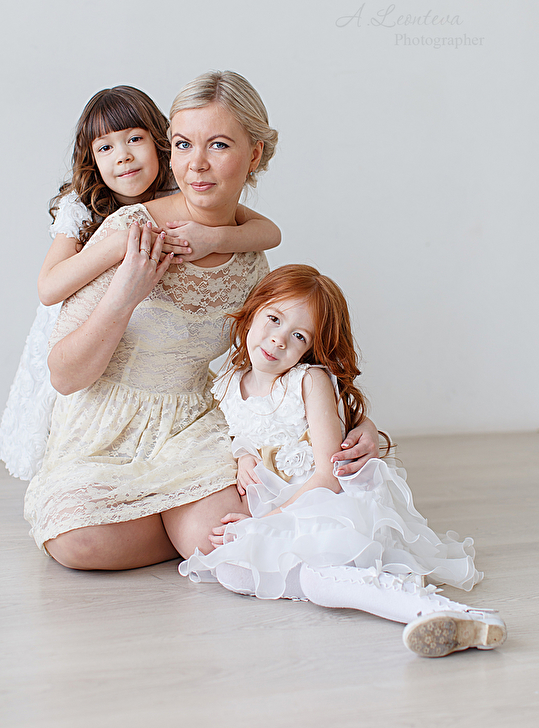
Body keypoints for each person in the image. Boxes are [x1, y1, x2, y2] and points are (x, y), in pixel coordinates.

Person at [24, 71, 382, 572]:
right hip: (105, 427)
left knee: (218, 541)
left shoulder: (251, 257)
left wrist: (359, 423)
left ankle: (186, 523)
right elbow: (64, 376)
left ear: (253, 155)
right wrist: (126, 294)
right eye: (183, 144)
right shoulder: (129, 229)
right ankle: (173, 522)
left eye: (218, 145)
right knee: (80, 544)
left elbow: (289, 357)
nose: (196, 163)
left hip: (195, 426)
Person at [179, 265, 507, 658]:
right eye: (274, 319)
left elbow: (327, 476)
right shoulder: (226, 383)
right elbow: (229, 434)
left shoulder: (308, 381)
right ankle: (351, 583)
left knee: (313, 579)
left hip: (322, 503)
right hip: (278, 509)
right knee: (231, 571)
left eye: (298, 336)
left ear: (309, 349)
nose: (278, 339)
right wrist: (242, 455)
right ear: (253, 311)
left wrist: (262, 524)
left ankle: (443, 612)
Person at [0, 85, 282, 481]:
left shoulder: (185, 187)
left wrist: (215, 238)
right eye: (105, 147)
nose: (123, 156)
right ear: (92, 159)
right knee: (48, 419)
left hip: (156, 365)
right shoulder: (82, 205)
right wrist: (118, 243)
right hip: (73, 320)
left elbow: (270, 233)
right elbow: (49, 289)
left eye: (134, 139)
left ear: (161, 143)